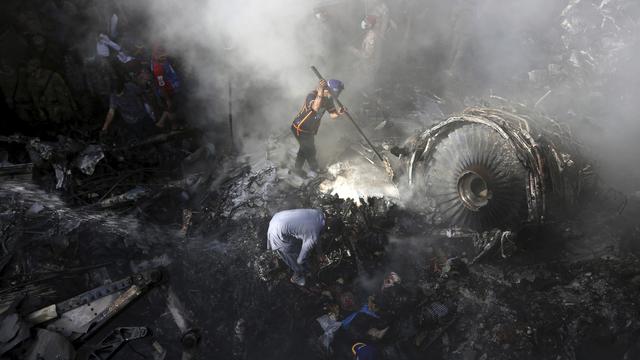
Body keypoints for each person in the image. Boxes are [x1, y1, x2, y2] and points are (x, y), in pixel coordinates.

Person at [291, 79, 346, 177]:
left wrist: (339, 113)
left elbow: (333, 115)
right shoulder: (312, 95)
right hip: (300, 127)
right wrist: (320, 91)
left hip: (310, 129)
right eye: (337, 92)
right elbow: (315, 108)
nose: (338, 94)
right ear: (330, 90)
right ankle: (314, 170)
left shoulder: (328, 100)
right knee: (310, 150)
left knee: (304, 149)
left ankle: (297, 169)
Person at [266, 209, 326, 286]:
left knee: (300, 243)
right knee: (294, 256)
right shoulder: (313, 234)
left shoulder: (318, 213)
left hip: (277, 218)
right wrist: (309, 263)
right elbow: (300, 260)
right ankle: (297, 276)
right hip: (276, 233)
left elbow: (315, 236)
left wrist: (320, 253)